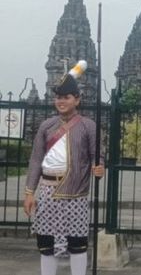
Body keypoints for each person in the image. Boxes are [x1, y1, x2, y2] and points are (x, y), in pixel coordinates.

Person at [23, 60, 104, 275]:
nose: (61, 101)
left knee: (77, 244)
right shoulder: (46, 126)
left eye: (66, 97)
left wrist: (99, 167)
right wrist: (30, 192)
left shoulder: (88, 126)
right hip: (48, 193)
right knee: (47, 246)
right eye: (58, 97)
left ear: (77, 99)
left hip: (75, 193)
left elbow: (97, 155)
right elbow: (36, 159)